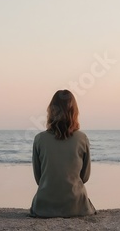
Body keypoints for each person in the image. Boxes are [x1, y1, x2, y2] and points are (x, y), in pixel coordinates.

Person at [29, 90, 96, 218]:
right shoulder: (82, 138)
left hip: (44, 207)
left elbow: (39, 178)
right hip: (76, 206)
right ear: (74, 112)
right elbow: (85, 177)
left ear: (51, 111)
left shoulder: (39, 139)